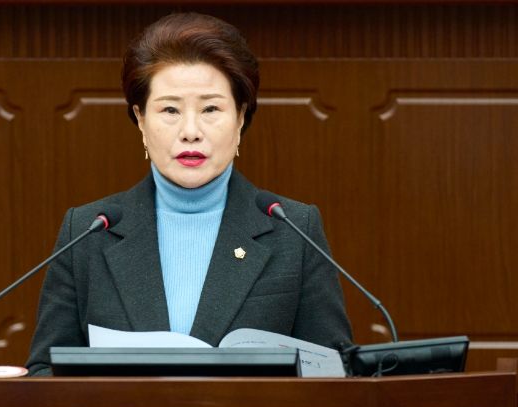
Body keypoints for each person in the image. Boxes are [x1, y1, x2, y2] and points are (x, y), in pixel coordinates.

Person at [26, 12, 353, 376]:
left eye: (211, 108)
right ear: (141, 119)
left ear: (240, 117)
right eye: (170, 110)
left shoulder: (294, 229)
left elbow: (335, 376)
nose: (191, 131)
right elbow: (44, 371)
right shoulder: (88, 231)